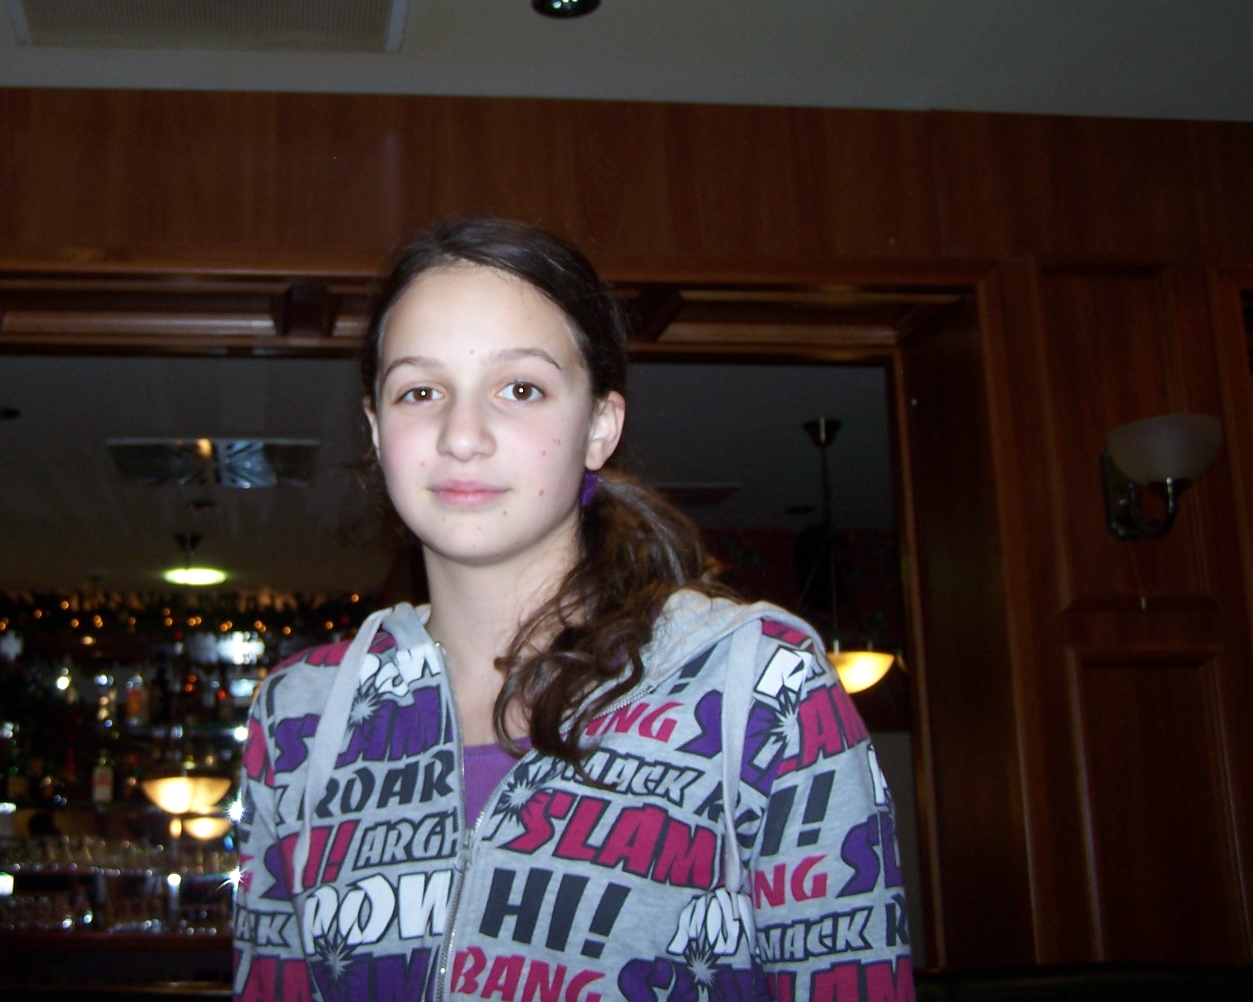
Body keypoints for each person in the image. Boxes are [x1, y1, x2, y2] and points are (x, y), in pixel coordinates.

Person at [233, 218, 913, 1002]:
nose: (461, 435)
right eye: (420, 391)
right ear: (377, 430)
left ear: (599, 426)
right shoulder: (300, 716)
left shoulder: (762, 689)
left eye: (520, 388)